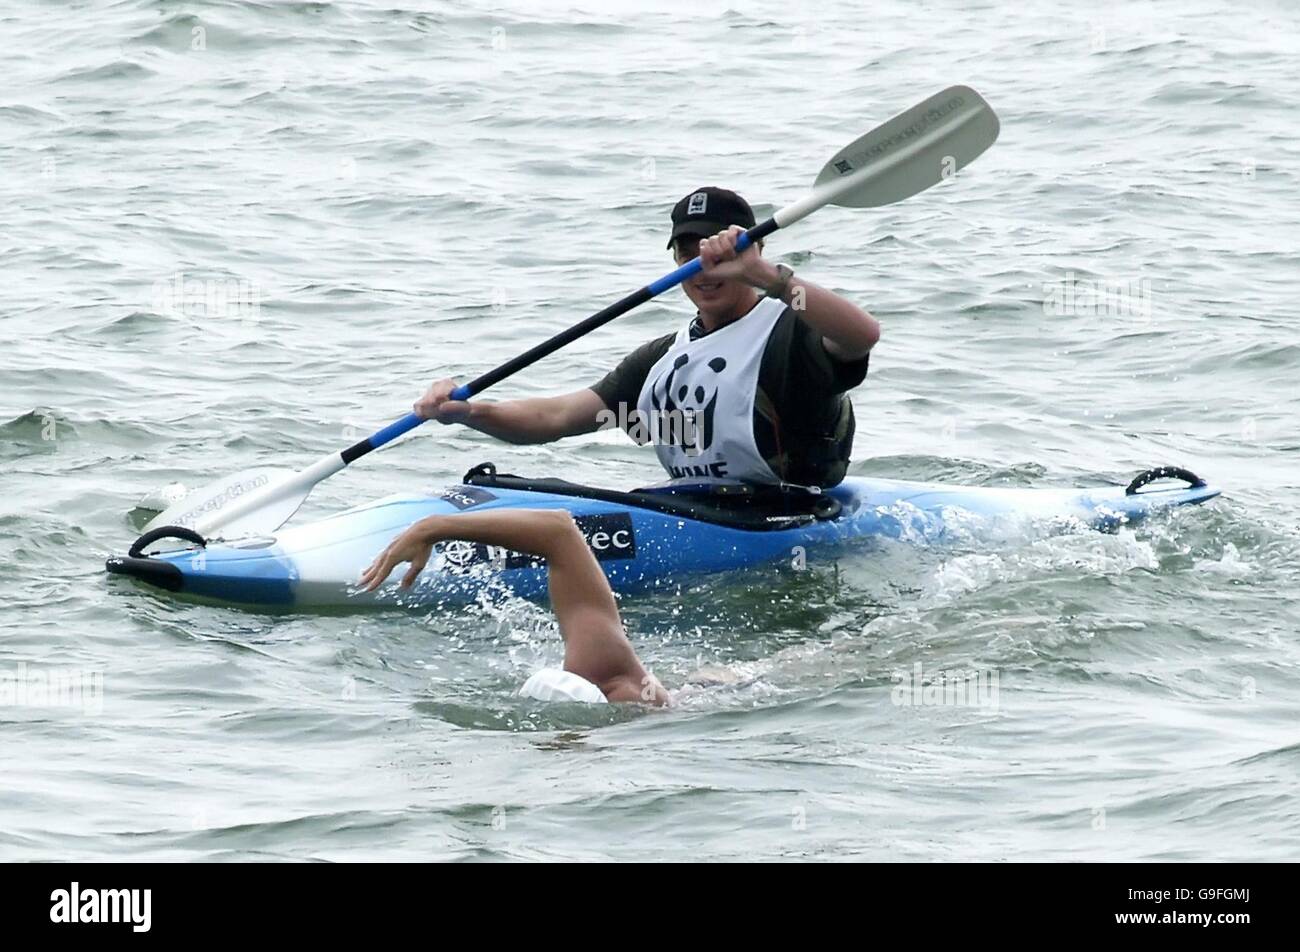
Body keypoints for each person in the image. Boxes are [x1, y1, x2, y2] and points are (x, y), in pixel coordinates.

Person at [414, 186, 880, 488]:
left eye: (718, 250)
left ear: (755, 250)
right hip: (703, 514)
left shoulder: (790, 330)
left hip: (791, 514)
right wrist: (468, 412)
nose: (704, 267)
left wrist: (767, 278)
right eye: (688, 252)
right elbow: (555, 417)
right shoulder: (664, 358)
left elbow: (860, 335)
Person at [360, 507, 670, 706]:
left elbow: (559, 529)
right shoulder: (608, 674)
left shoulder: (610, 677)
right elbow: (558, 531)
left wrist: (432, 527)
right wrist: (433, 528)